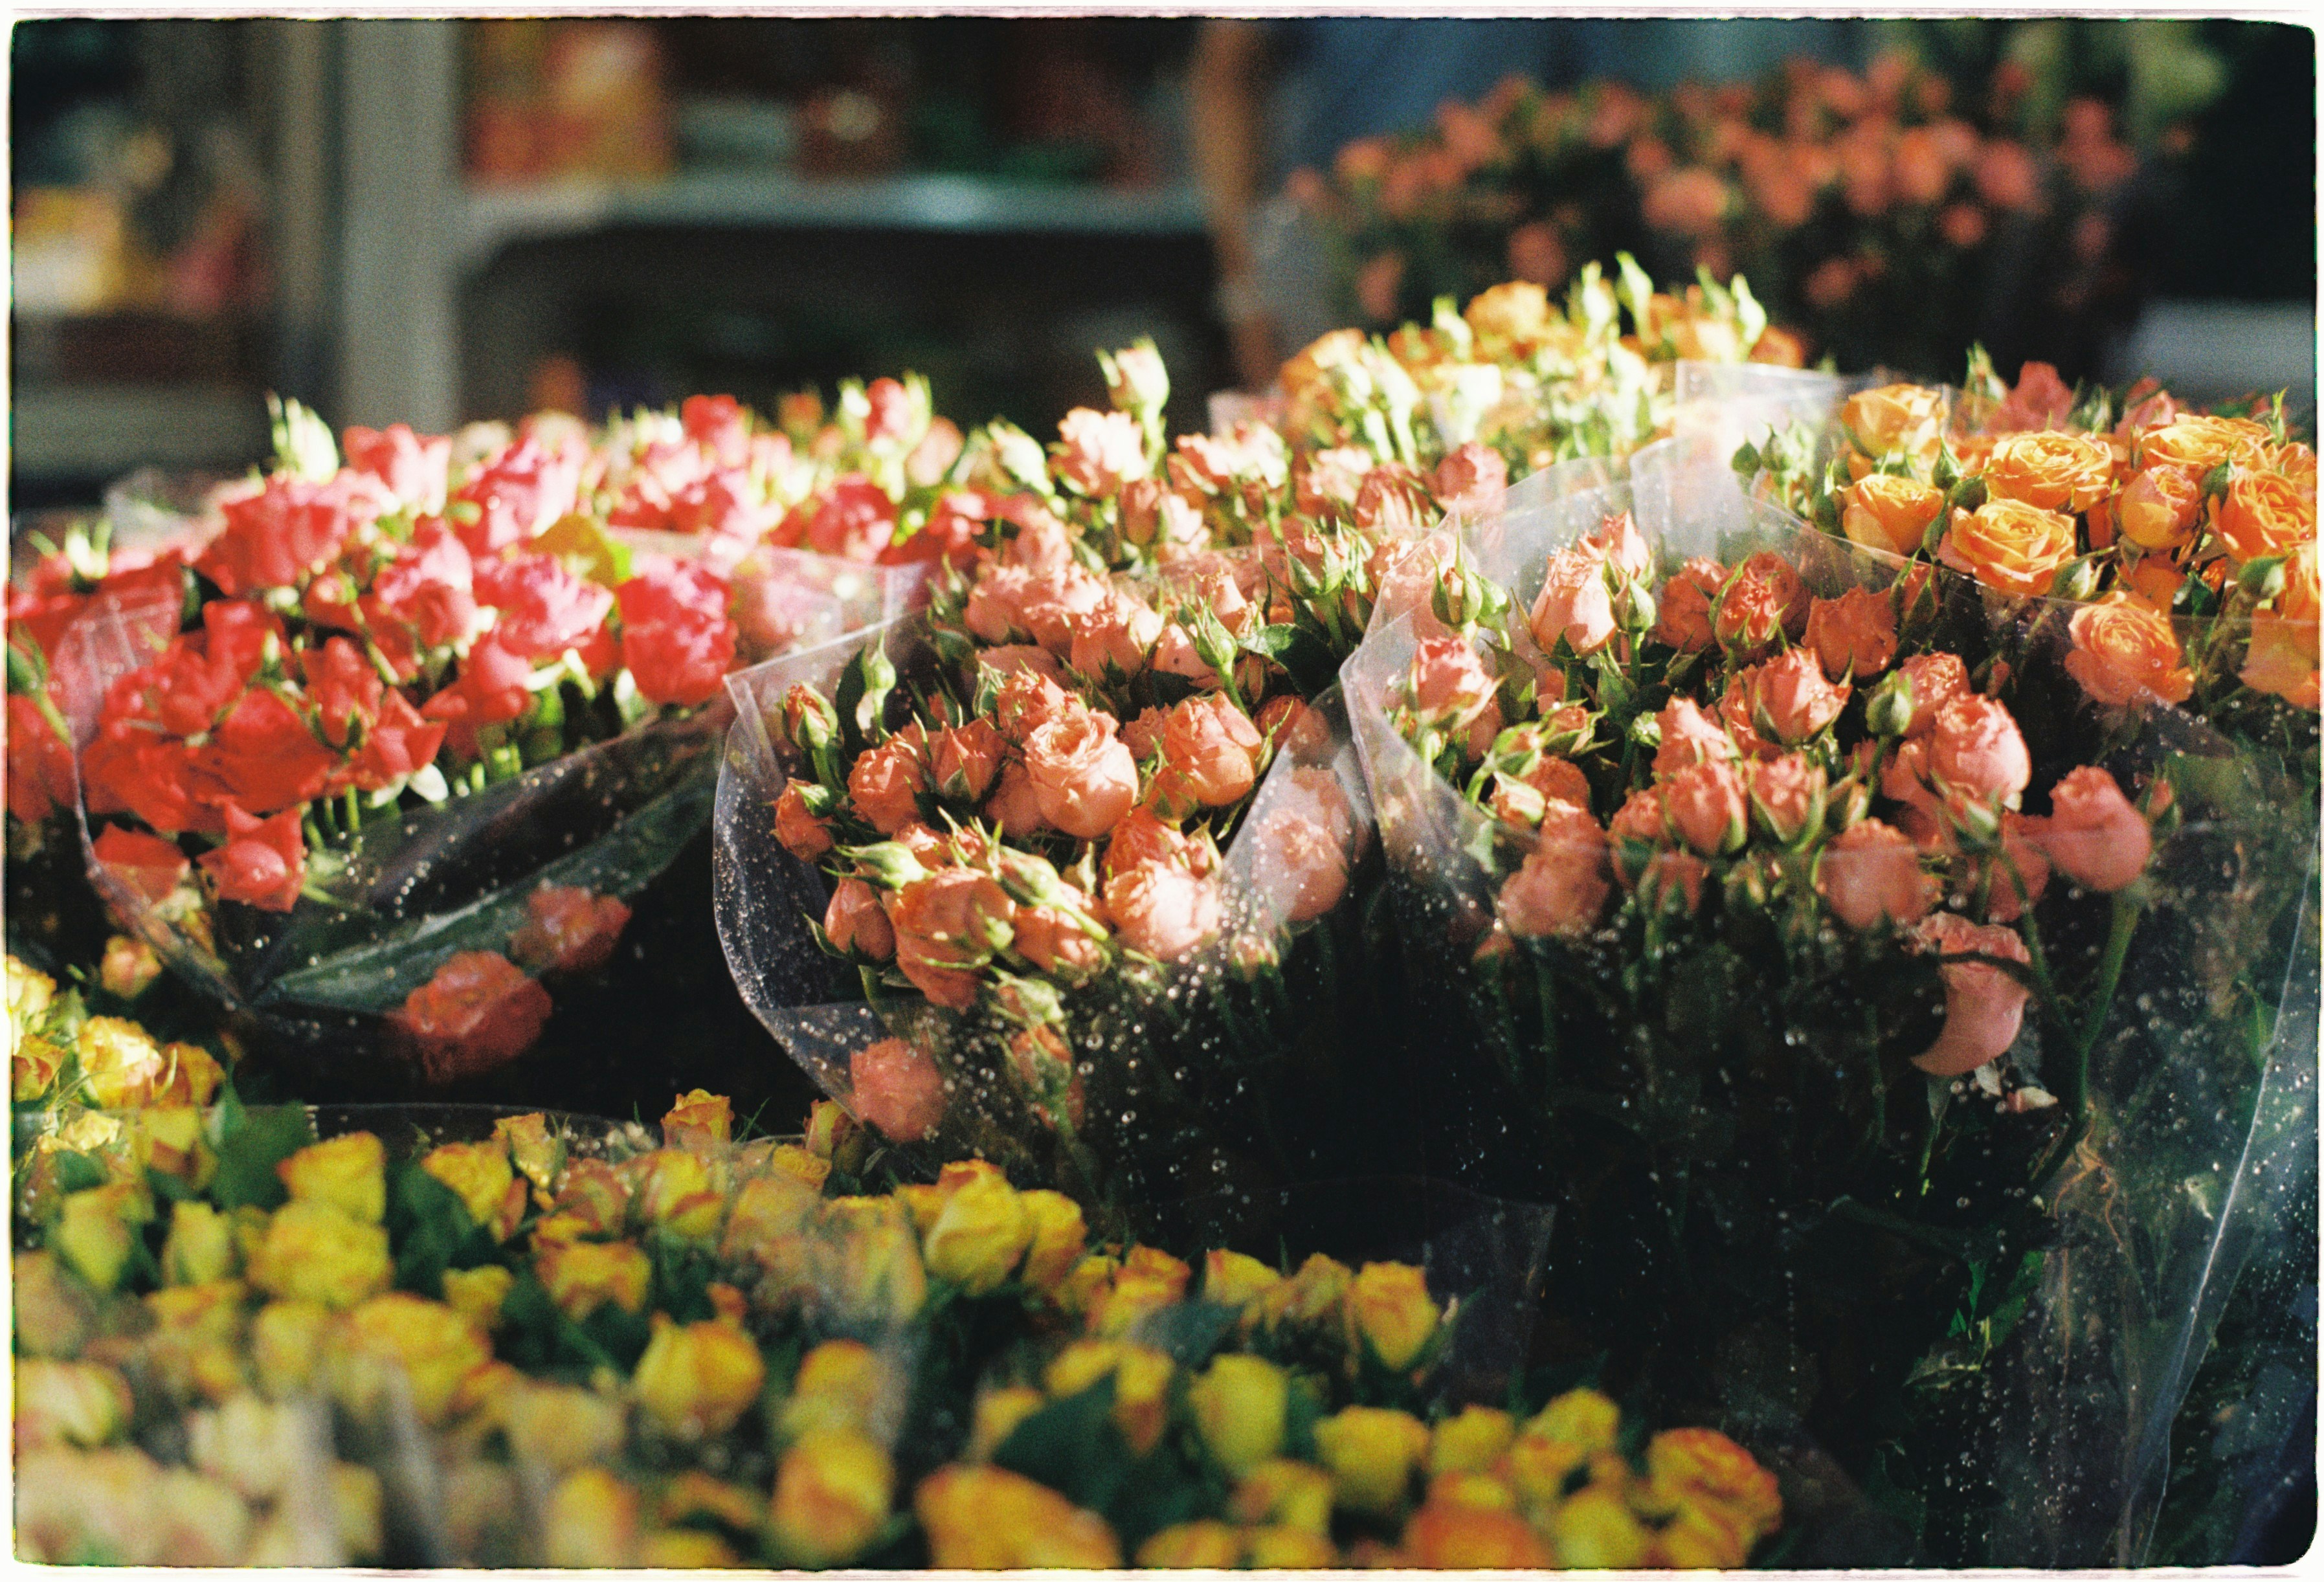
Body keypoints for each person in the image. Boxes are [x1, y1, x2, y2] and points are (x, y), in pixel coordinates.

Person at [1190, 16, 1862, 388]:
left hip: (1517, 286)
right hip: (1342, 262)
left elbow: (1608, 101)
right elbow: (1225, 71)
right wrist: (1248, 293)